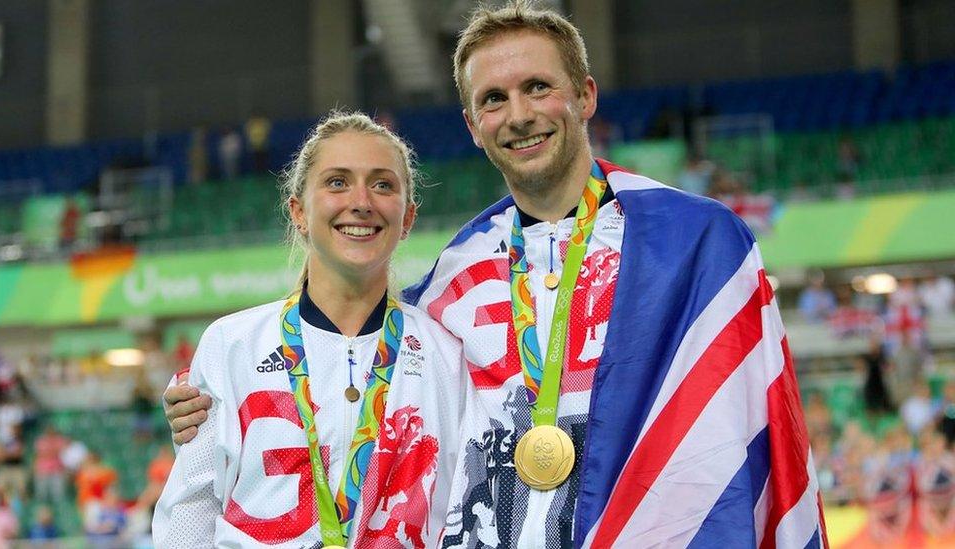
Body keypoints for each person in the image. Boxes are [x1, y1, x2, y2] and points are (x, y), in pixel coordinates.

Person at [165, 2, 825, 547]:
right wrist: (214, 417)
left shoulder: (696, 244)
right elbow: (372, 415)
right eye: (494, 98)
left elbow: (765, 429)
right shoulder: (455, 277)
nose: (518, 113)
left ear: (584, 95)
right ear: (473, 127)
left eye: (538, 87)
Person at [154, 112, 466, 548]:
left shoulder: (447, 355)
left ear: (408, 217)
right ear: (298, 211)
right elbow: (191, 512)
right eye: (337, 182)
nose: (361, 201)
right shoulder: (232, 345)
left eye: (383, 184)